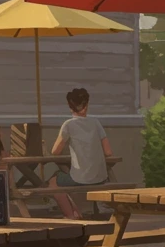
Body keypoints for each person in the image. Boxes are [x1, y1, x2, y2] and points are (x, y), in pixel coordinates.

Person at [47, 87, 114, 219]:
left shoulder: (68, 125)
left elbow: (55, 151)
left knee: (53, 183)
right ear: (87, 105)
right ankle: (77, 212)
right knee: (63, 177)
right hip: (100, 177)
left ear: (70, 106)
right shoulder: (96, 123)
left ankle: (71, 215)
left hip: (80, 177)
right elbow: (108, 152)